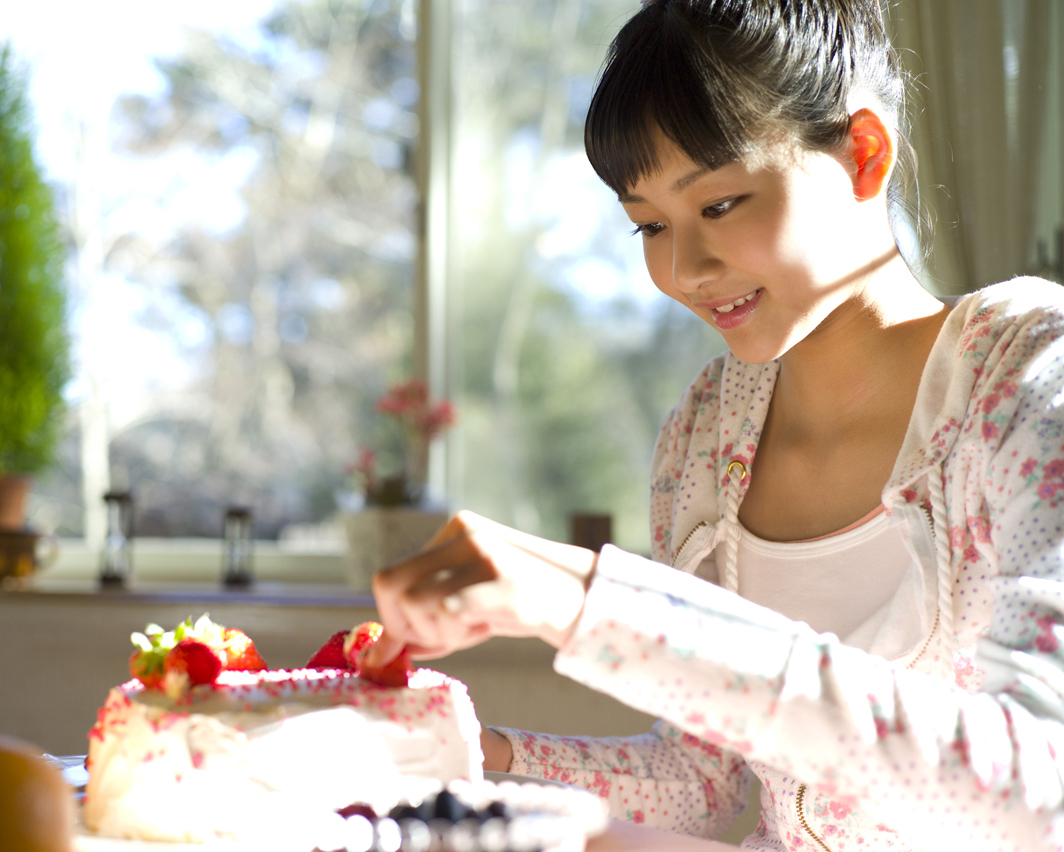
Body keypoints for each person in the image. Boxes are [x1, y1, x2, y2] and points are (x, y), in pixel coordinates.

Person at [366, 1, 1064, 850]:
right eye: (650, 225)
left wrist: (595, 603)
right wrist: (460, 754)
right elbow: (701, 782)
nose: (684, 269)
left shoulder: (1028, 375)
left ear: (863, 153)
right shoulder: (707, 435)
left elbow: (1037, 781)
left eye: (722, 204)